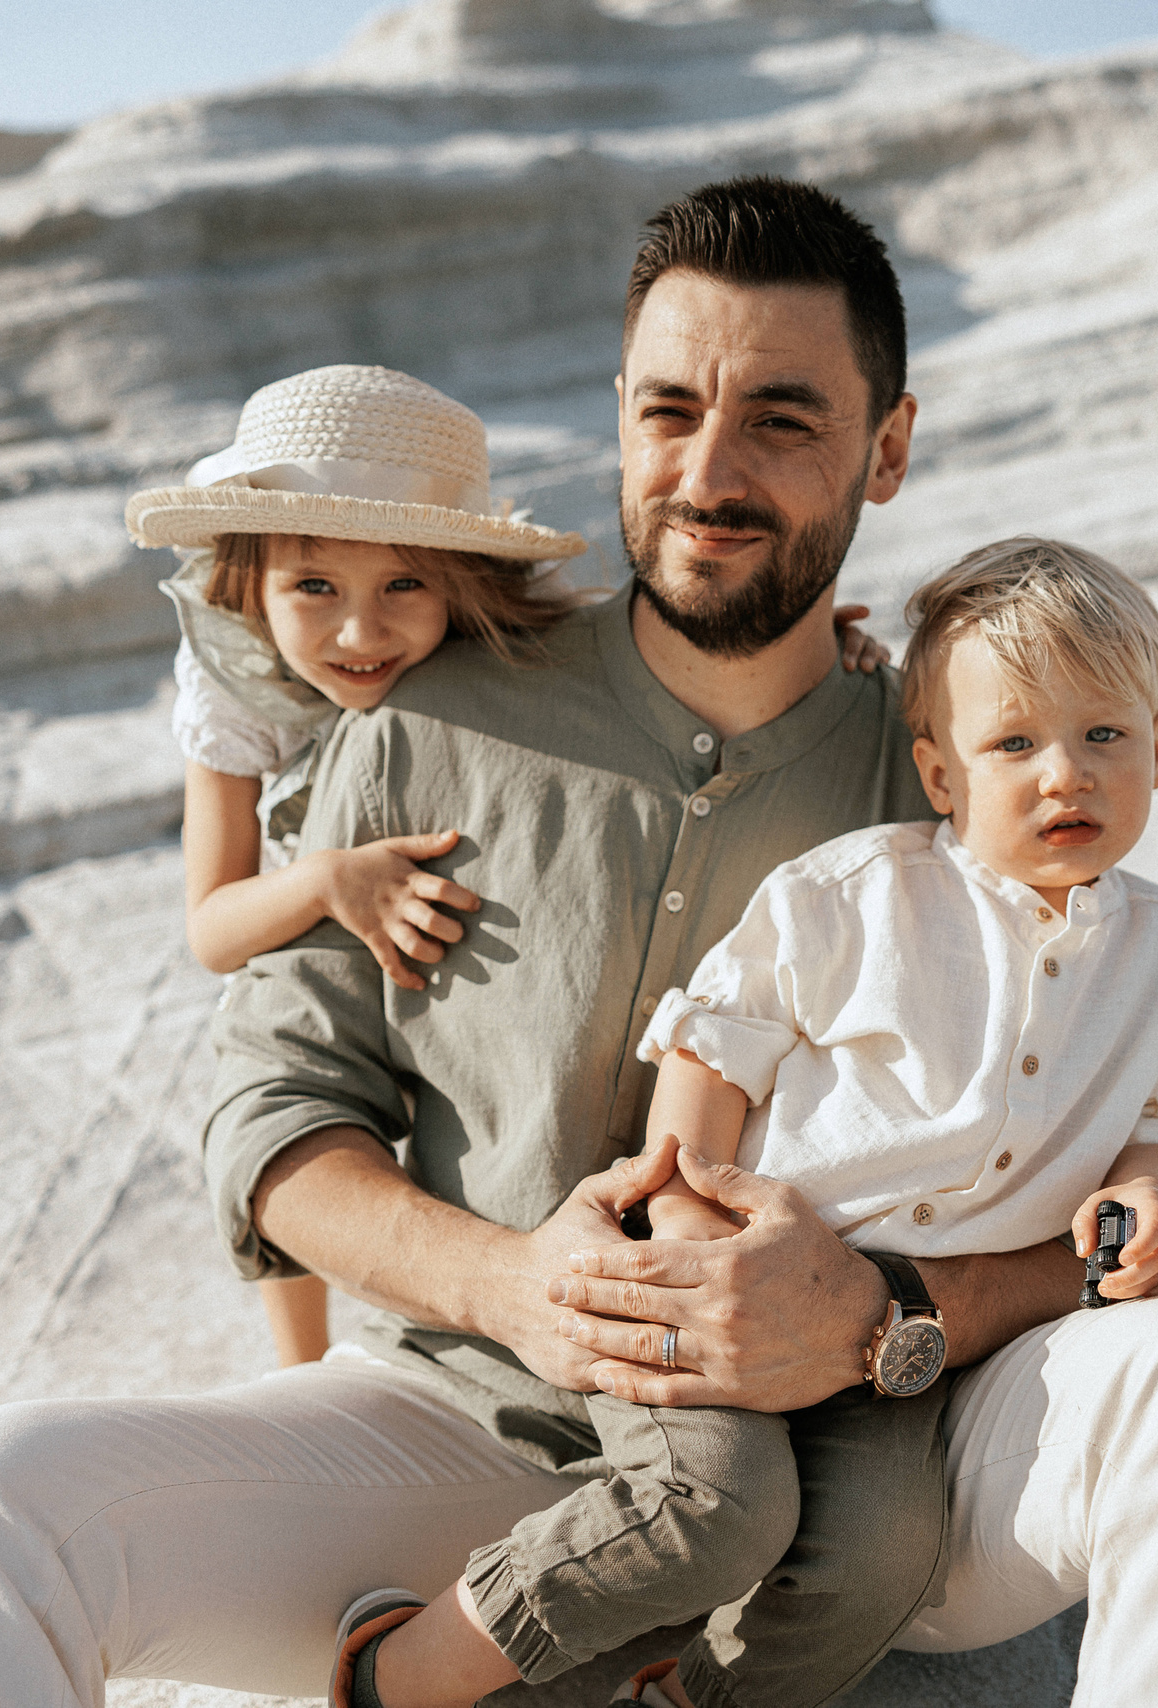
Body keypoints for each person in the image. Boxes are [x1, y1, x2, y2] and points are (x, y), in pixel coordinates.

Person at [0, 175, 1158, 1708]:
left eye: (782, 419)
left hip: (887, 1462)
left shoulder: (958, 769)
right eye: (670, 409)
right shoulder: (424, 722)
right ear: (620, 414)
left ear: (887, 449)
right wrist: (512, 1288)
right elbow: (273, 1119)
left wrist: (895, 1316)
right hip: (464, 1432)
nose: (710, 471)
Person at [331, 535, 1158, 1708]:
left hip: (893, 1346)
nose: (1066, 775)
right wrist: (683, 1218)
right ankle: (402, 1670)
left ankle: (691, 1700)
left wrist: (1153, 1188)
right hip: (720, 1278)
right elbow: (711, 1047)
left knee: (880, 1561)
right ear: (940, 773)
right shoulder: (855, 894)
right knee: (713, 1506)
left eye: (1103, 734)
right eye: (1014, 744)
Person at [146, 363, 890, 1367]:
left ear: (462, 582)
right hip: (290, 903)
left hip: (404, 877)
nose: (360, 631)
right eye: (312, 586)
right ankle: (300, 1361)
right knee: (299, 1087)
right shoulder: (228, 694)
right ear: (248, 586)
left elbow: (643, 638)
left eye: (404, 584)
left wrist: (805, 639)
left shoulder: (500, 656)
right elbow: (210, 926)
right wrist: (327, 879)